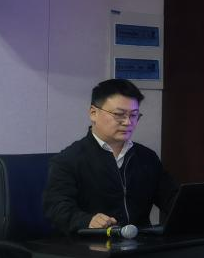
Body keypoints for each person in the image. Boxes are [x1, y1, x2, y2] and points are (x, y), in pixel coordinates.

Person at [43, 79, 177, 235]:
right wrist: (86, 220)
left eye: (134, 115)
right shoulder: (68, 160)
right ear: (93, 113)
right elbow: (56, 207)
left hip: (141, 243)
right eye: (119, 115)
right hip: (92, 244)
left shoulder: (147, 157)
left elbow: (171, 198)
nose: (128, 122)